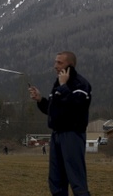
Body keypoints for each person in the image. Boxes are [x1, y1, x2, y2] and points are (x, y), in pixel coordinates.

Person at [29, 51, 91, 196]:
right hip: (56, 135)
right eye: (55, 62)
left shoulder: (80, 84)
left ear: (70, 65)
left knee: (76, 178)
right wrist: (40, 100)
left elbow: (76, 106)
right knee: (56, 179)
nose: (55, 66)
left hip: (72, 135)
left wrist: (63, 87)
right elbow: (54, 110)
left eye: (59, 62)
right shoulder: (57, 84)